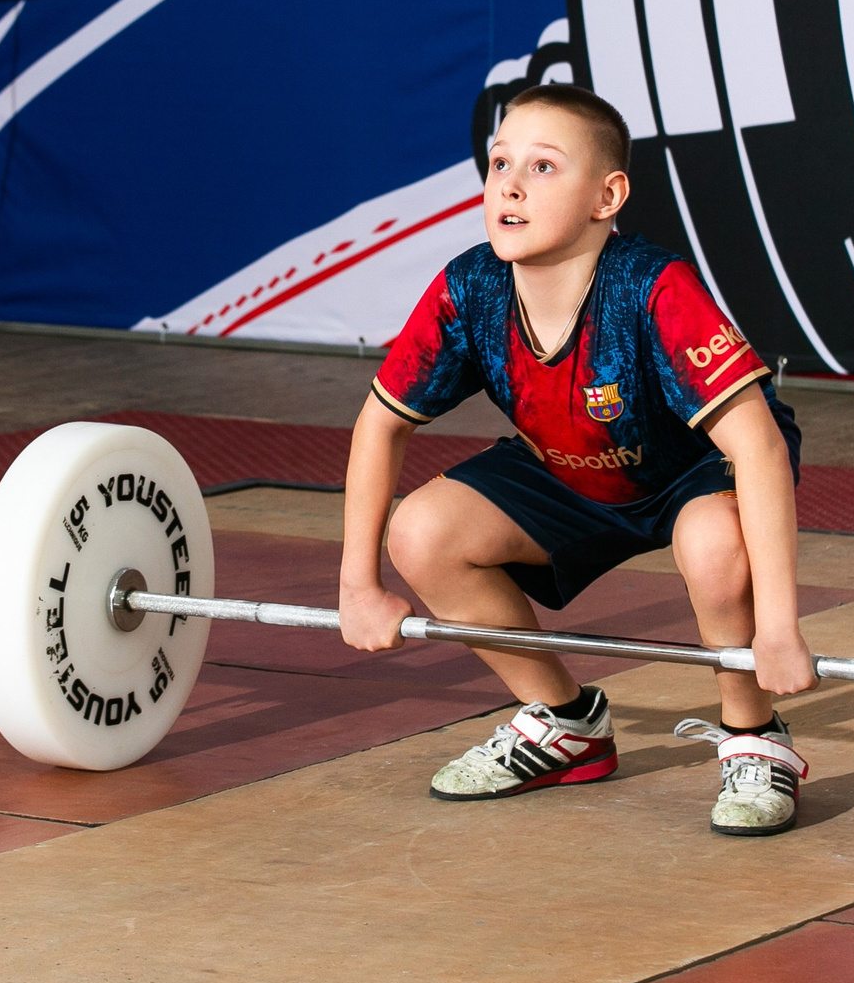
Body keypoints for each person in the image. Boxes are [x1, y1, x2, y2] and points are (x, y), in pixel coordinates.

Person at [337, 83, 816, 833]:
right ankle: (565, 723)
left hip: (694, 472)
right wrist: (357, 584)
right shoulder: (470, 287)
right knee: (420, 532)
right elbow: (378, 424)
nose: (511, 184)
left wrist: (778, 629)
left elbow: (755, 444)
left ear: (607, 195)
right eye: (500, 163)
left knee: (715, 544)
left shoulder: (654, 287)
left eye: (544, 166)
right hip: (569, 468)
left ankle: (754, 737)